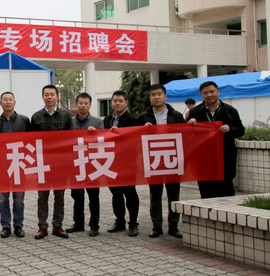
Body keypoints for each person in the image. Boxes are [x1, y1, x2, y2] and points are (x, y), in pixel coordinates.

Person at [137, 85, 185, 239]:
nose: (156, 97)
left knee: (174, 195)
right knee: (155, 195)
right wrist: (142, 129)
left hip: (172, 159)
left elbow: (186, 135)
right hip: (154, 160)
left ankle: (173, 226)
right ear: (150, 98)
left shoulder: (176, 115)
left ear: (165, 96)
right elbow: (135, 138)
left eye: (159, 94)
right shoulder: (143, 117)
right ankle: (156, 226)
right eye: (153, 95)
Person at [187, 81, 244, 198]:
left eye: (212, 91)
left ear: (218, 92)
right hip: (204, 161)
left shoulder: (230, 111)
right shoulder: (195, 112)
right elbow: (187, 135)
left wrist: (230, 129)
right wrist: (189, 124)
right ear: (201, 95)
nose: (209, 95)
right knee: (206, 195)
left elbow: (241, 131)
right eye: (205, 93)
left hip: (225, 159)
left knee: (227, 194)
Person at [30, 84, 72, 240]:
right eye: (46, 95)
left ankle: (57, 226)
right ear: (43, 97)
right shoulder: (36, 117)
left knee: (59, 195)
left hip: (60, 163)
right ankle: (42, 227)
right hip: (42, 162)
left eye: (52, 95)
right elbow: (31, 141)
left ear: (57, 96)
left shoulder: (66, 116)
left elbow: (71, 139)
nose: (49, 97)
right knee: (42, 196)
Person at [0, 91, 30, 238]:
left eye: (10, 100)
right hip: (2, 166)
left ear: (15, 102)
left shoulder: (24, 120)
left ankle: (18, 225)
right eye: (5, 100)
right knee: (2, 199)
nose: (8, 102)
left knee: (19, 198)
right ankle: (5, 226)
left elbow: (30, 142)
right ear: (0, 103)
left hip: (19, 164)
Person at [67, 92, 104, 237]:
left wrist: (95, 134)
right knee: (77, 196)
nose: (83, 106)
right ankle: (78, 223)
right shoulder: (70, 122)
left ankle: (94, 225)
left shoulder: (98, 122)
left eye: (86, 103)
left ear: (90, 105)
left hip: (92, 164)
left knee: (93, 196)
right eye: (81, 103)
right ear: (76, 105)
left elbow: (103, 141)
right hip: (75, 164)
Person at [104, 90, 140, 237]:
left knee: (130, 194)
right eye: (115, 101)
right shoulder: (107, 119)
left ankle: (133, 223)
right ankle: (120, 221)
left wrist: (120, 133)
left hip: (128, 163)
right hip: (111, 163)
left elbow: (135, 140)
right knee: (116, 194)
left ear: (126, 103)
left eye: (120, 101)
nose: (117, 103)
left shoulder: (132, 119)